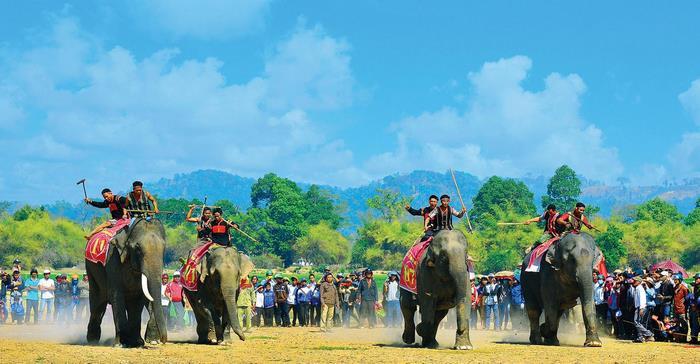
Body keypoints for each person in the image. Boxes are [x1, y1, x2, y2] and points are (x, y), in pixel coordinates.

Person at [632, 277, 654, 342]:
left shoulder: (640, 289)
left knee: (636, 322)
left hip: (640, 307)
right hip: (638, 307)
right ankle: (640, 337)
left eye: (635, 281)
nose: (634, 282)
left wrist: (641, 308)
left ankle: (649, 334)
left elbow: (642, 299)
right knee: (638, 322)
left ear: (639, 282)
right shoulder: (637, 288)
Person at [672, 275, 689, 342]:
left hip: (682, 309)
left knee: (684, 324)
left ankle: (684, 338)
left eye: (676, 279)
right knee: (677, 324)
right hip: (675, 309)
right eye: (674, 279)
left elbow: (687, 299)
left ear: (680, 280)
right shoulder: (674, 288)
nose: (675, 281)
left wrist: (685, 307)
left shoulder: (684, 288)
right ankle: (679, 338)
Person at [689, 273, 700, 344]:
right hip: (695, 309)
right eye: (695, 278)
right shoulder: (695, 287)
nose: (696, 280)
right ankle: (694, 338)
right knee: (694, 324)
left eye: (697, 278)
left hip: (698, 307)